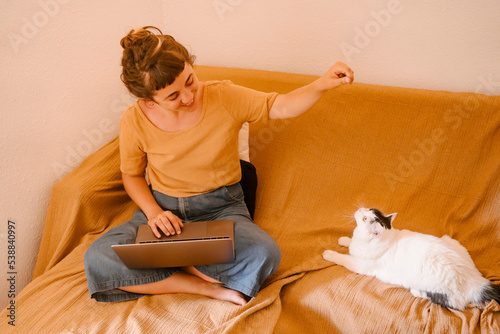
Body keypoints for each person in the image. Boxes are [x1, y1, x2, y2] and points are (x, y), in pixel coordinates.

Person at [84, 26, 354, 306]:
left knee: (265, 253)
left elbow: (282, 106)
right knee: (97, 256)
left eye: (190, 80)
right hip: (165, 212)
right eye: (173, 97)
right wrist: (154, 213)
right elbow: (131, 175)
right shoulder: (134, 120)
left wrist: (322, 83)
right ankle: (203, 284)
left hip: (220, 209)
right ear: (148, 100)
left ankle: (167, 260)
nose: (188, 97)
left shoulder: (224, 96)